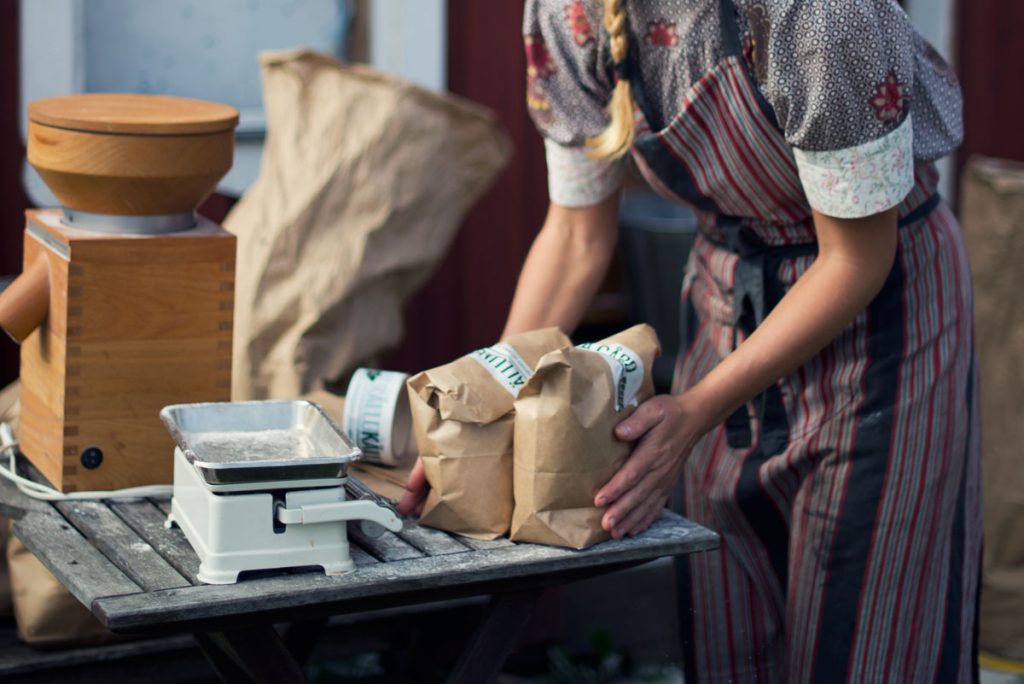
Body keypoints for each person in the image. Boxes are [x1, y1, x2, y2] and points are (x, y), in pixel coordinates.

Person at [400, 0, 980, 681]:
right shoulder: (572, 12)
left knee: (872, 641)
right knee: (729, 629)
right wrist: (490, 399)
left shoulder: (822, 14)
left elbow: (854, 259)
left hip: (882, 331)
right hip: (727, 305)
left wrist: (694, 412)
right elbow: (576, 236)